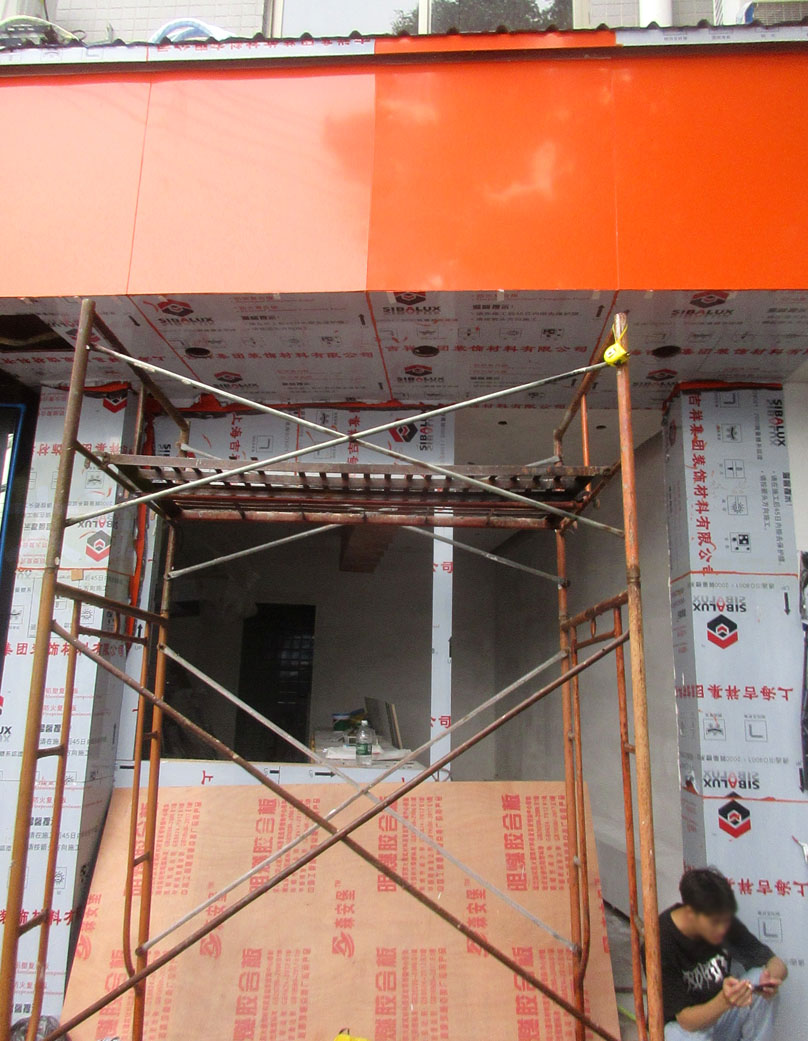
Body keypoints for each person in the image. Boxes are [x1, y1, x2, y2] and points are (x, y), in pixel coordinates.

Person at [658, 867, 787, 1040]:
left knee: (759, 976)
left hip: (724, 1018)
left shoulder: (721, 919)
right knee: (680, 1035)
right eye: (715, 923)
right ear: (691, 914)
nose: (722, 929)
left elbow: (776, 963)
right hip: (692, 1028)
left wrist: (769, 982)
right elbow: (686, 1021)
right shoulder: (662, 940)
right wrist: (724, 1001)